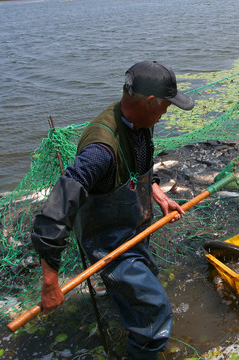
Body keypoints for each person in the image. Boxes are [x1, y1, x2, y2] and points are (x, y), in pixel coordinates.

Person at [31, 61, 194, 360]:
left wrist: (156, 192)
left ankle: (129, 317)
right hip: (108, 241)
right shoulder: (100, 150)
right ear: (148, 101)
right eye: (165, 105)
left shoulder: (139, 121)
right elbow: (56, 209)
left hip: (133, 226)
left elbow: (139, 164)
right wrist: (50, 282)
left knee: (143, 286)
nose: (167, 112)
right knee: (155, 312)